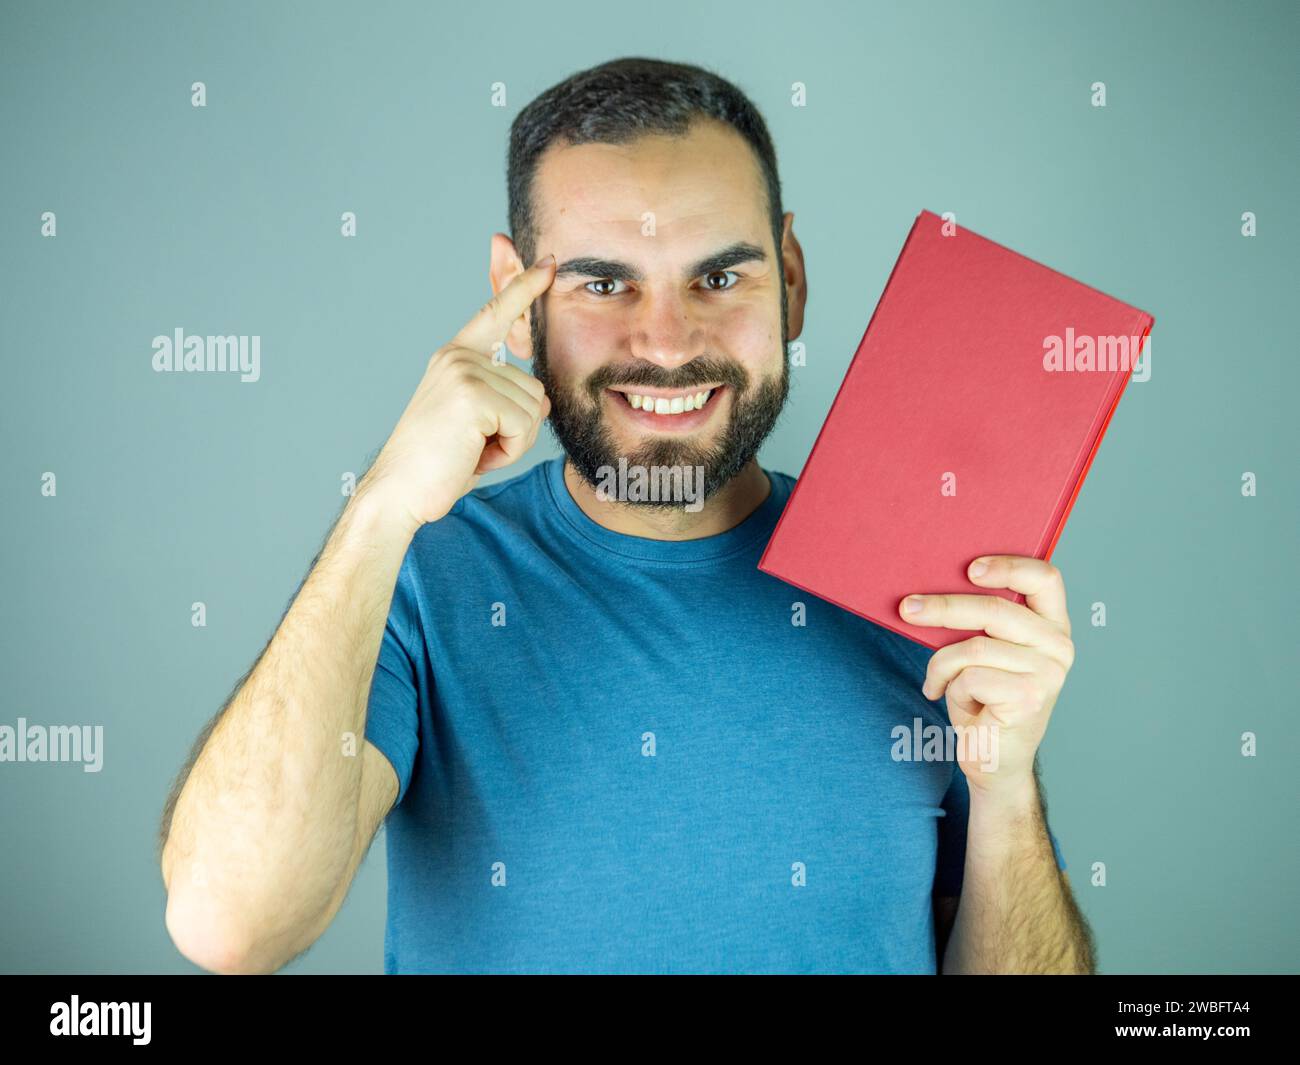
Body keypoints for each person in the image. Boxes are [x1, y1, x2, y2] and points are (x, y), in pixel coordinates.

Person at [158, 57, 1094, 975]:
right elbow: (229, 926)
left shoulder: (925, 589)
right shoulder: (418, 578)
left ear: (792, 277)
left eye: (718, 279)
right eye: (604, 284)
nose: (667, 344)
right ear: (513, 301)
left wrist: (1005, 789)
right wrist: (382, 507)